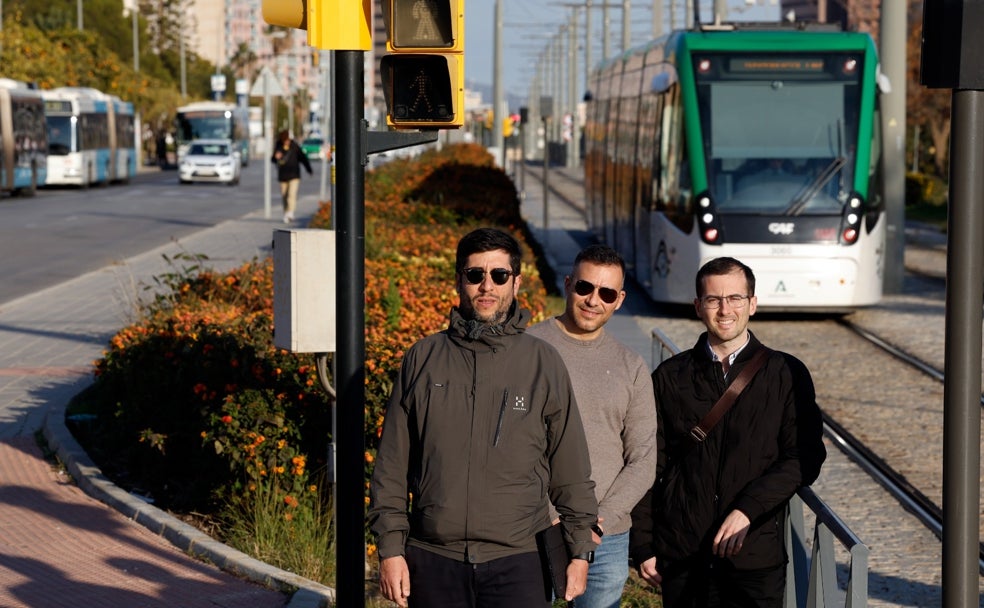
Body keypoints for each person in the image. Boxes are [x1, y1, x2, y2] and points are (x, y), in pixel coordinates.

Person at [368, 227, 599, 608]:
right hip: (433, 559)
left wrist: (579, 550)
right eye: (475, 275)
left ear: (516, 282)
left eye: (499, 275)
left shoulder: (543, 363)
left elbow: (570, 468)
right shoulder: (422, 359)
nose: (486, 286)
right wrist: (390, 550)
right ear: (460, 279)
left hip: (520, 562)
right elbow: (391, 466)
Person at [630, 256, 826, 608]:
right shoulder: (669, 377)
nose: (725, 310)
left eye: (735, 298)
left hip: (753, 555)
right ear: (698, 306)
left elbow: (805, 456)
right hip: (683, 554)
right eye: (713, 299)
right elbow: (647, 463)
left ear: (752, 303)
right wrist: (643, 543)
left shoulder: (786, 373)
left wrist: (748, 509)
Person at [527, 244, 658, 608]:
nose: (593, 300)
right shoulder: (527, 348)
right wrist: (552, 516)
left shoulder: (630, 366)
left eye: (606, 293)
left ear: (619, 300)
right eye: (585, 287)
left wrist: (599, 522)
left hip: (607, 537)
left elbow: (643, 458)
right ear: (568, 284)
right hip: (534, 527)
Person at [270, 130, 312, 224]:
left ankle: (290, 212)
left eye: (288, 140)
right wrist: (275, 157)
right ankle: (286, 213)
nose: (287, 142)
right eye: (285, 140)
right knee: (284, 196)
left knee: (291, 195)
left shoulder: (294, 146)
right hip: (283, 176)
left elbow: (303, 158)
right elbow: (272, 159)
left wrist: (309, 170)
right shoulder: (278, 146)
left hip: (294, 175)